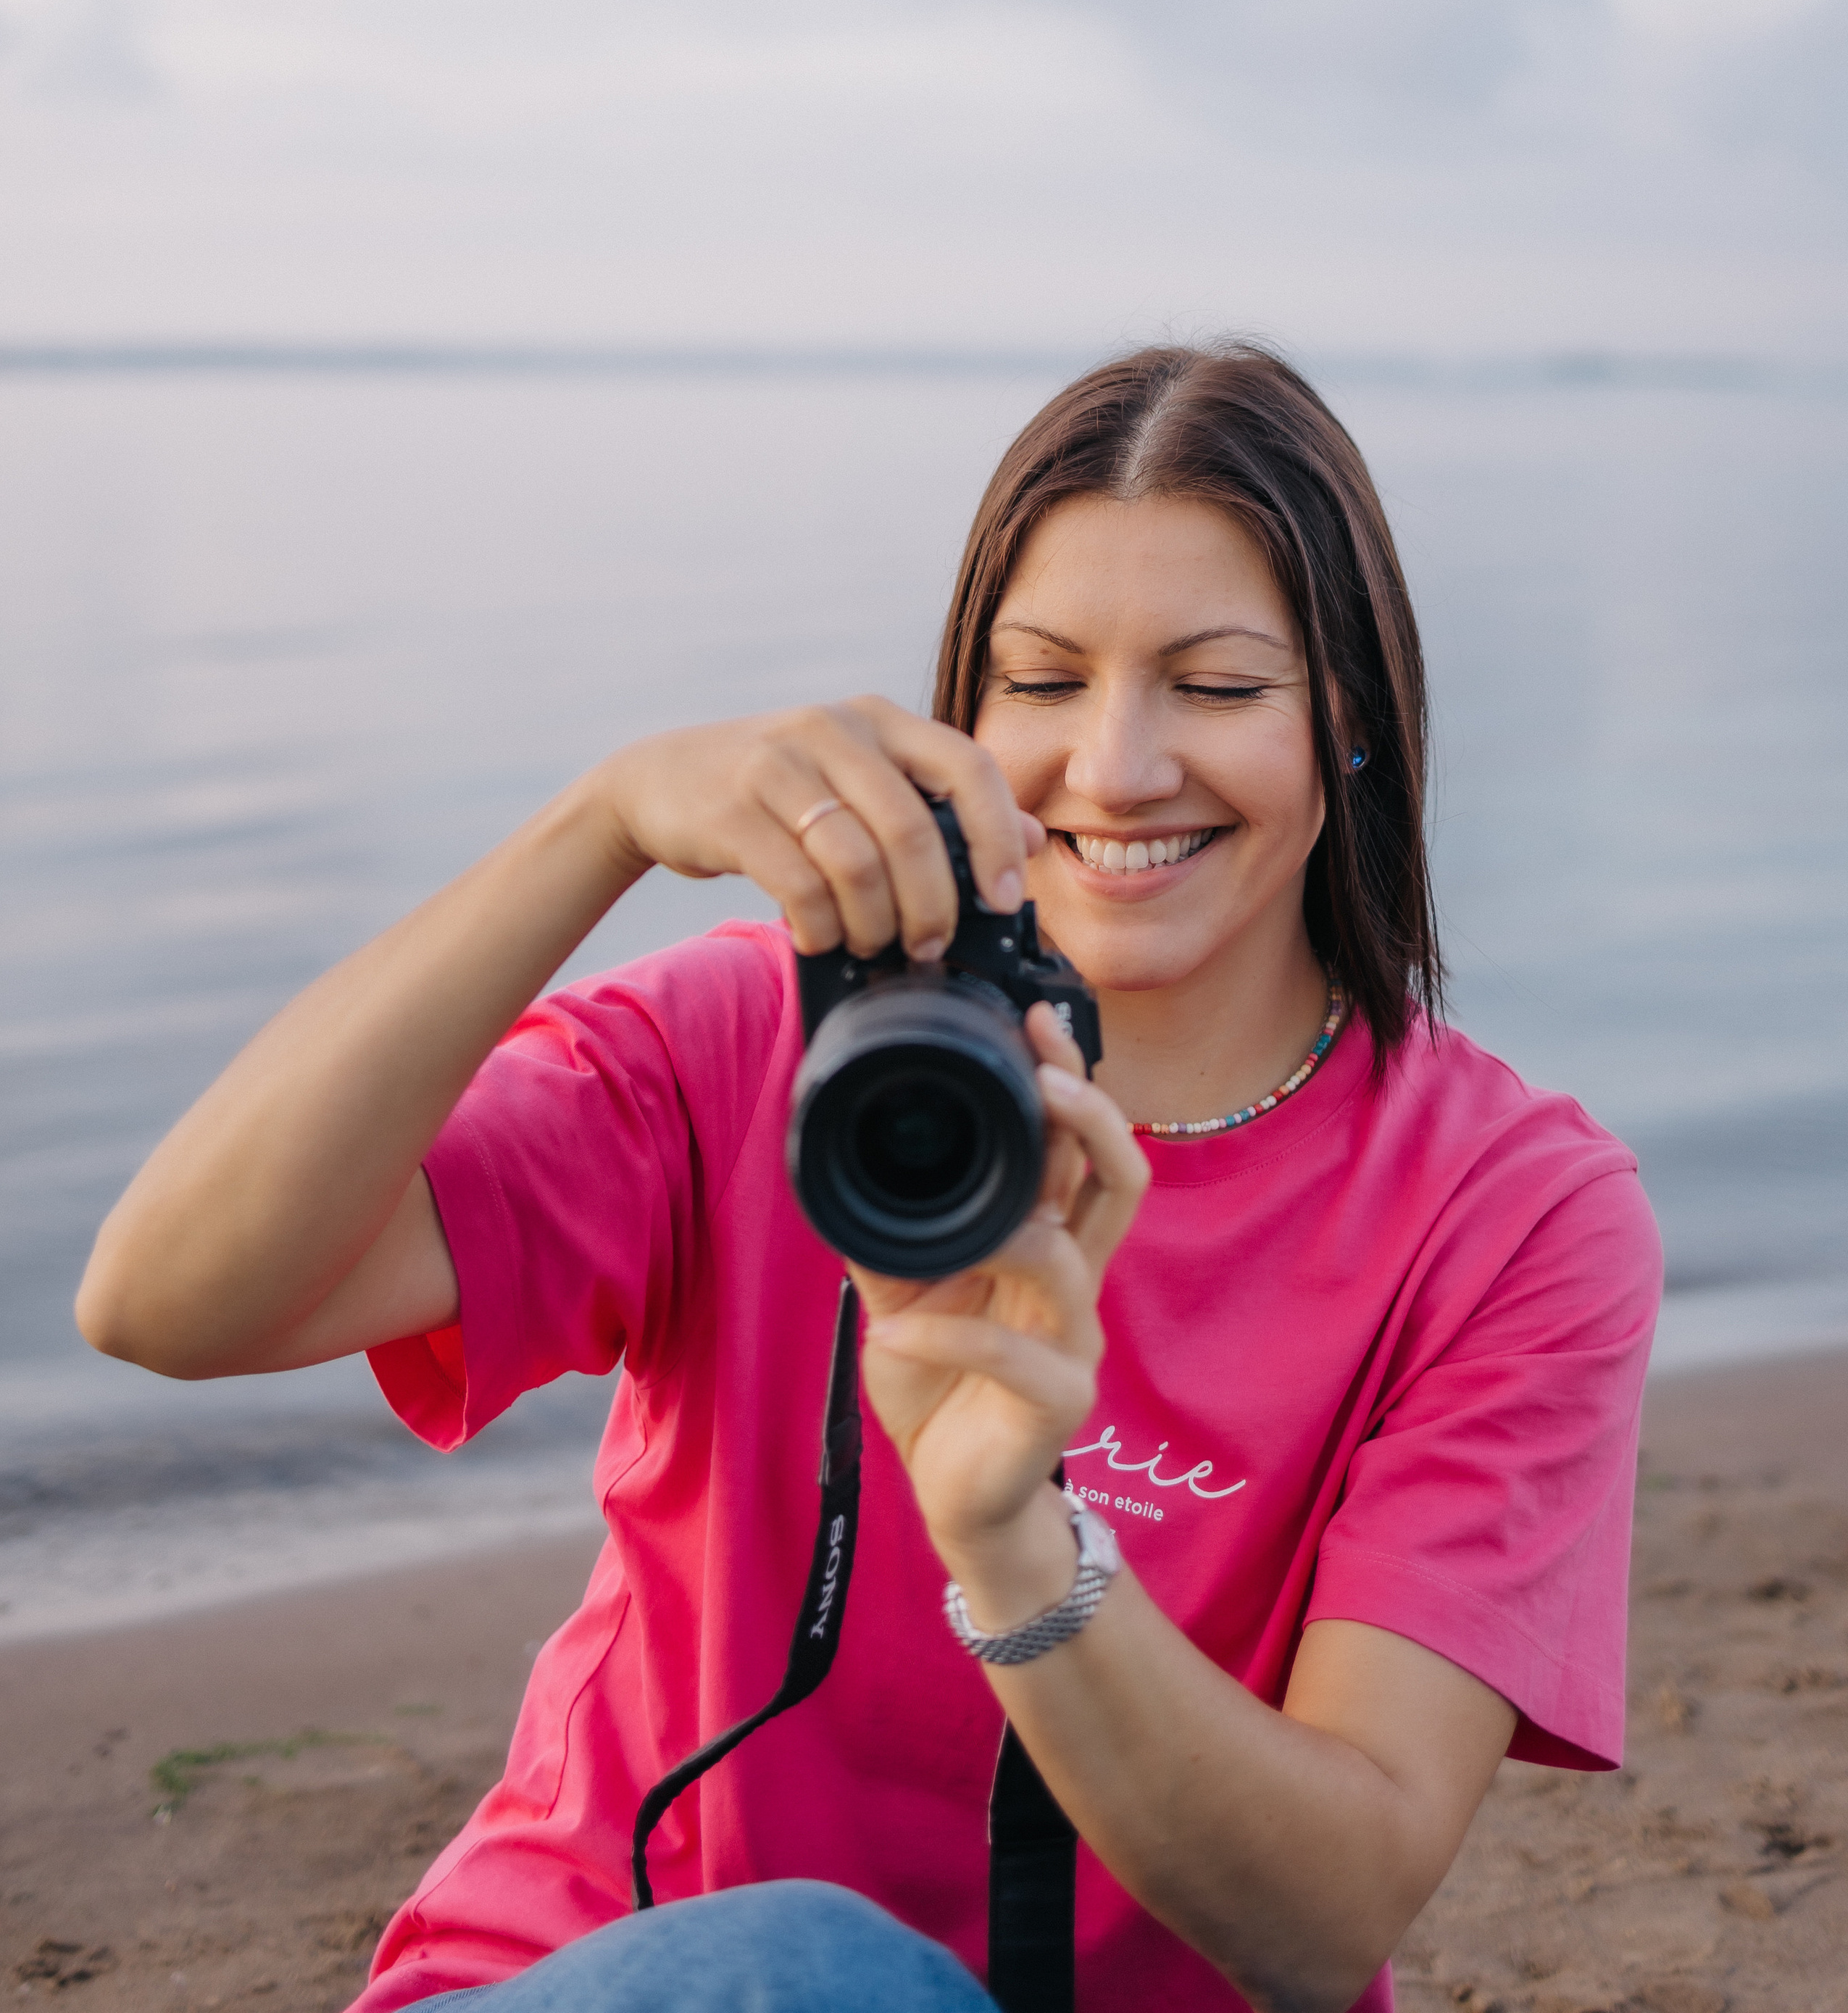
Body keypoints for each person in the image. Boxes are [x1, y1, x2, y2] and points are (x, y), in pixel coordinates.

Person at [77, 344, 1662, 2013]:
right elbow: (167, 1300)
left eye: (1213, 686)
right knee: (802, 1963)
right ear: (962, 719)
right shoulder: (762, 1044)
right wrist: (598, 825)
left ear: (1347, 720)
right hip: (631, 1975)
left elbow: (1322, 1918)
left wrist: (1017, 1549)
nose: (1113, 768)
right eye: (1041, 683)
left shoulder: (1505, 1217)